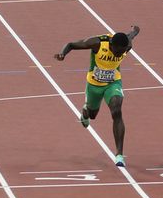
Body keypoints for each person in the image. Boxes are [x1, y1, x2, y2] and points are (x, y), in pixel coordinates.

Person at [54, 25, 139, 167]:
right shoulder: (97, 43)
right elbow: (71, 44)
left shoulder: (127, 45)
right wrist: (63, 54)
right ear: (112, 45)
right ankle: (85, 112)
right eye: (118, 52)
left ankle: (119, 155)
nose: (120, 55)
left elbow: (132, 34)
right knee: (92, 114)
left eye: (123, 52)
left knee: (117, 111)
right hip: (94, 84)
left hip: (113, 83)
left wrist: (135, 30)